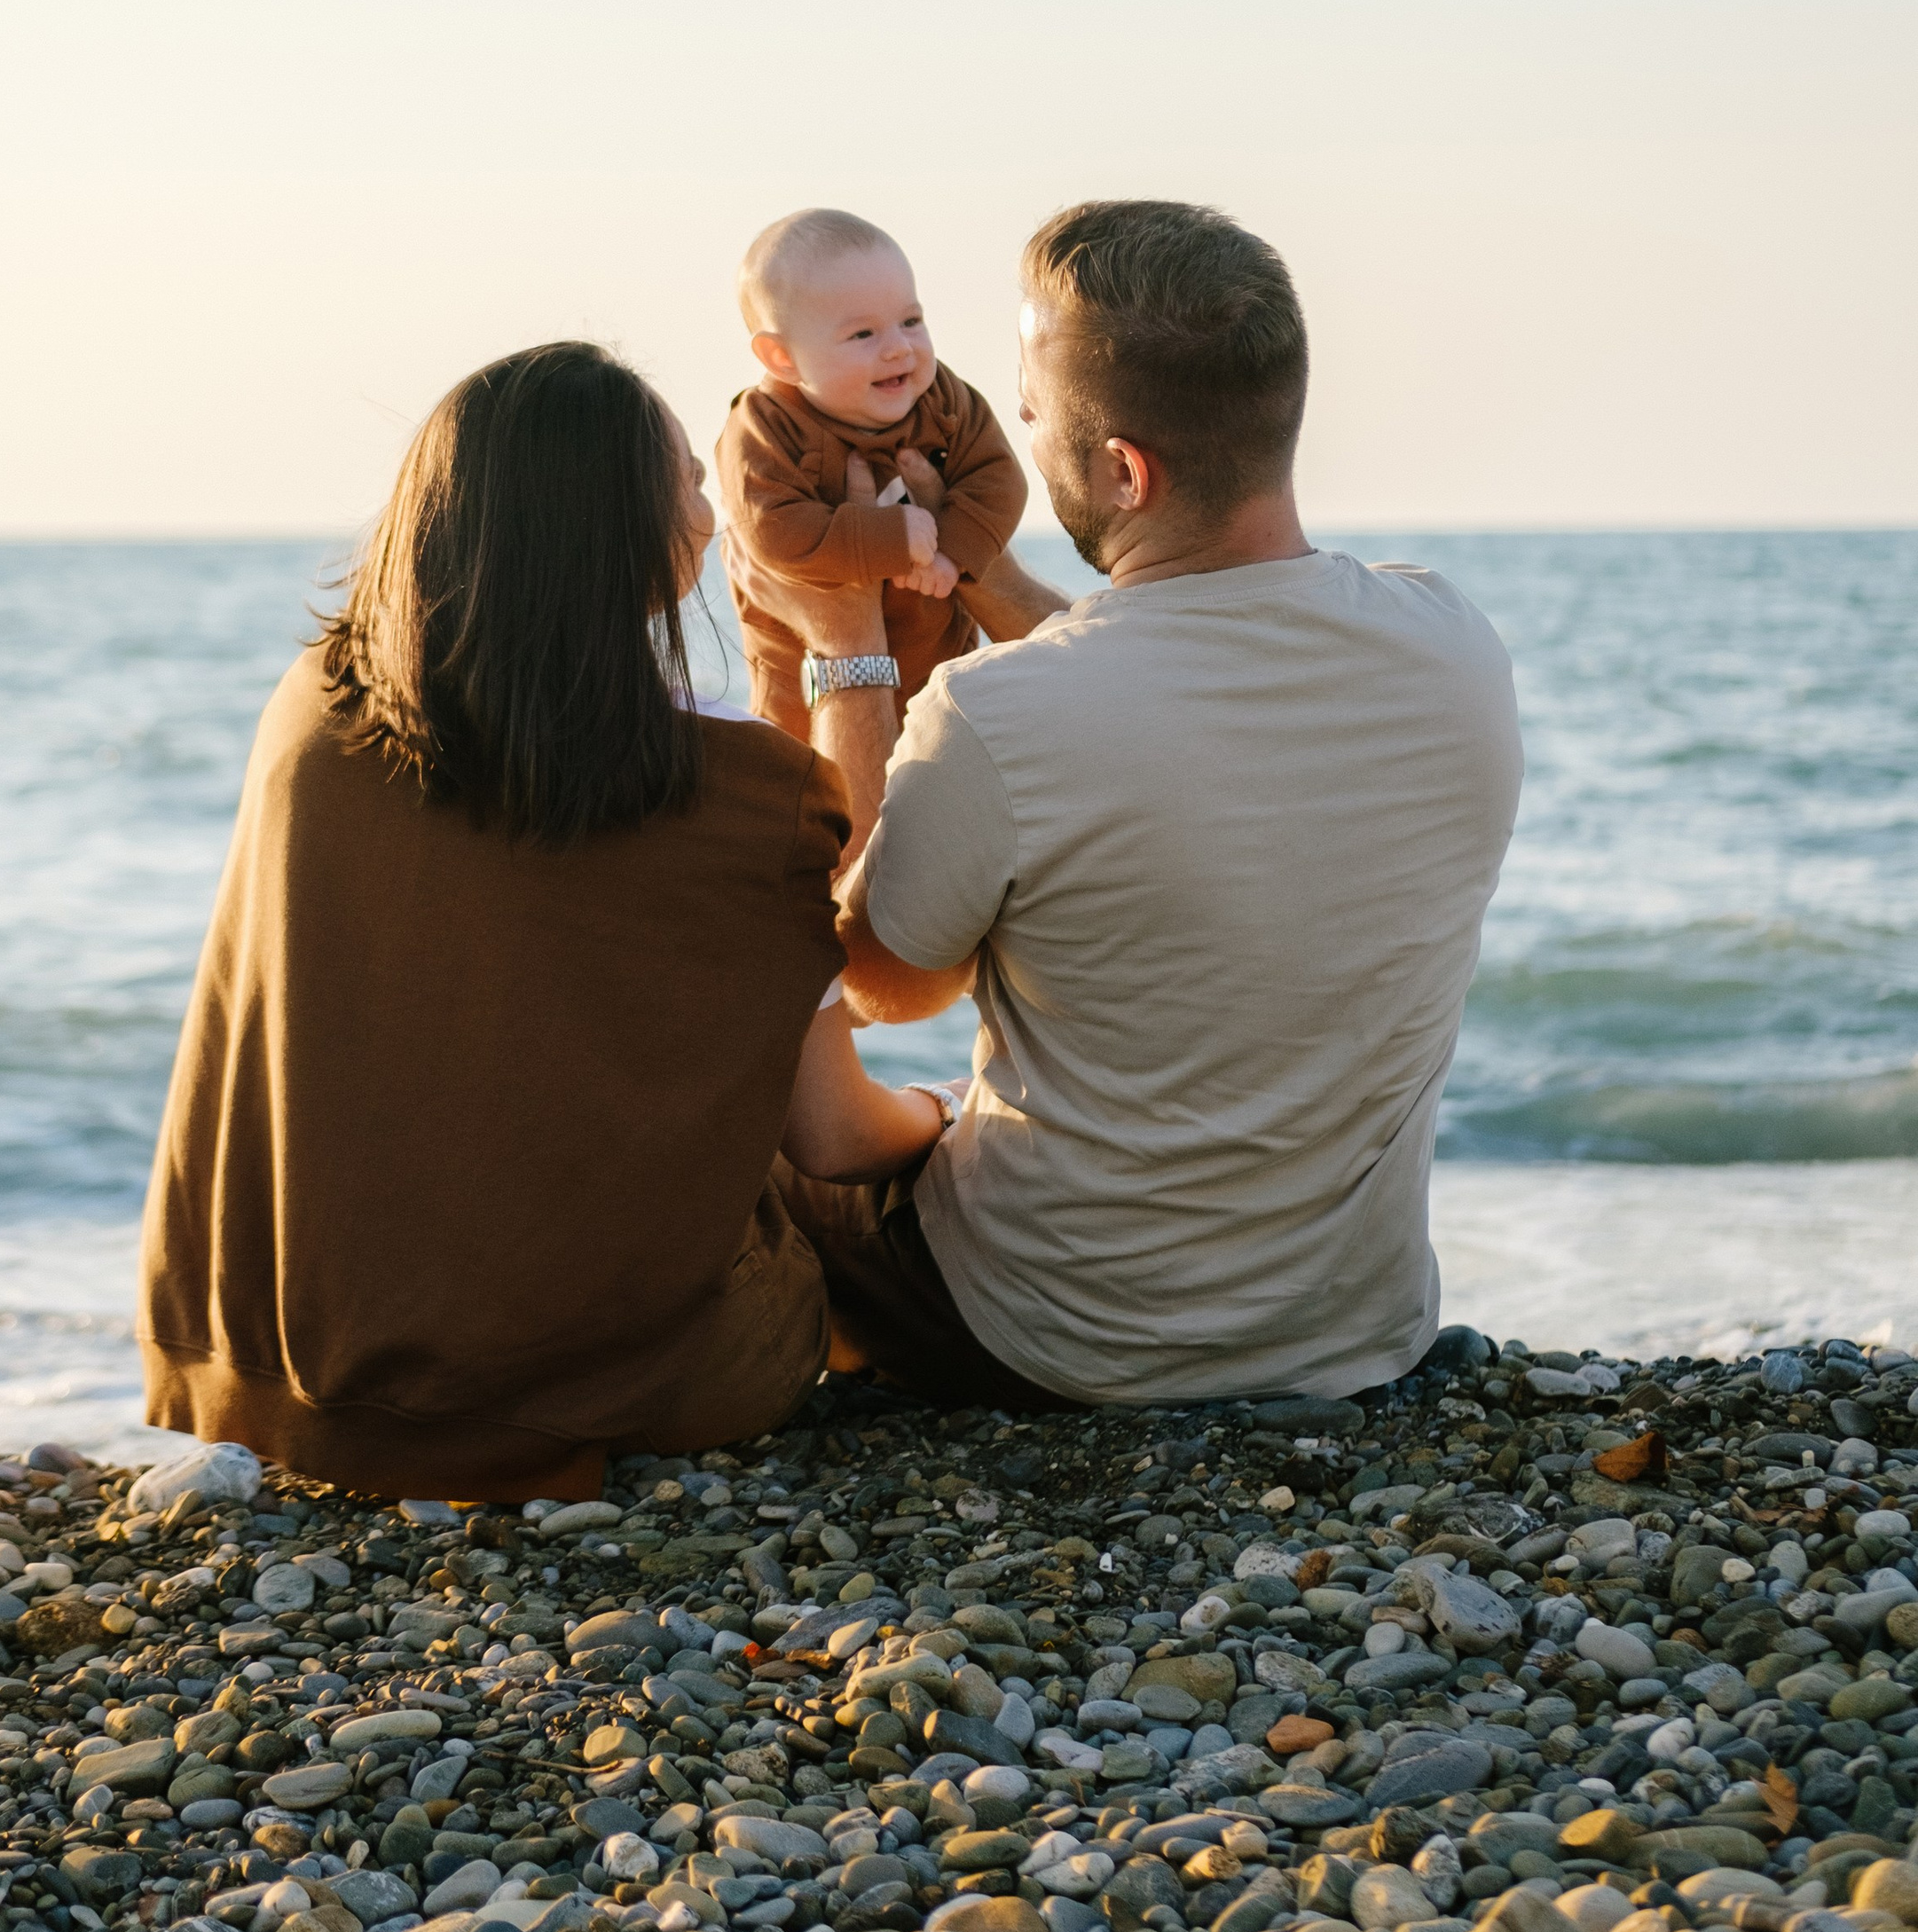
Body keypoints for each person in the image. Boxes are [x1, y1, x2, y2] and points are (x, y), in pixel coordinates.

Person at [737, 198, 1524, 1412]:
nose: (1021, 432)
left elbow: (882, 988)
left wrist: (845, 648)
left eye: (1033, 411)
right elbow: (1167, 683)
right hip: (1355, 1330)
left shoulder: (1001, 718)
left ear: (1123, 469)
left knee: (766, 1121)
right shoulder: (1456, 645)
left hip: (1053, 1339)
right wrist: (984, 573)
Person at [137, 342, 947, 1502]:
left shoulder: (314, 709)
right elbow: (837, 1135)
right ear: (628, 535)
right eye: (689, 480)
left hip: (283, 1380)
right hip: (617, 1387)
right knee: (848, 1201)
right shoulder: (731, 791)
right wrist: (847, 650)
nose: (714, 509)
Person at [716, 207, 1026, 739]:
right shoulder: (765, 428)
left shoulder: (941, 397)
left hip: (939, 675)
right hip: (809, 698)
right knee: (823, 793)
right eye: (863, 334)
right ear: (782, 356)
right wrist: (889, 538)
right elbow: (772, 530)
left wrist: (951, 550)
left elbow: (998, 477)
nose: (898, 348)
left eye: (911, 321)